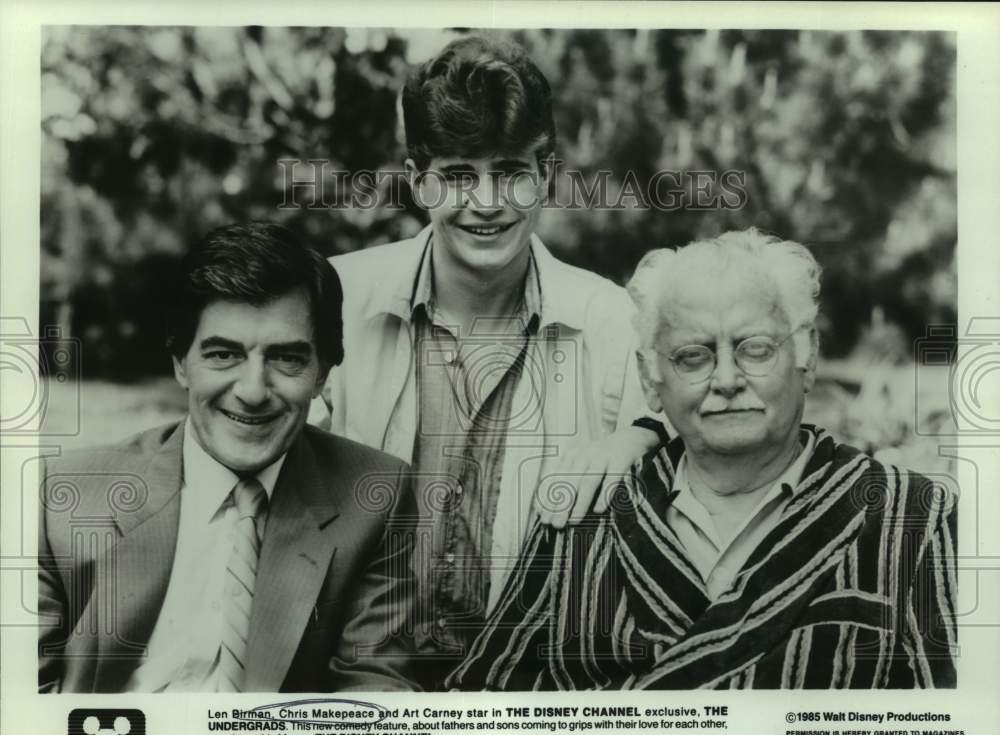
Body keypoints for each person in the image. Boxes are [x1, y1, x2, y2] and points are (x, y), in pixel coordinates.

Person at [448, 228, 958, 690]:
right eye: (694, 355)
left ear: (807, 357)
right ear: (650, 380)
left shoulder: (911, 518)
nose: (728, 379)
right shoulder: (584, 516)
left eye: (755, 349)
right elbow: (482, 713)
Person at [310, 35, 662, 686]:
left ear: (547, 174)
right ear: (418, 181)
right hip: (356, 675)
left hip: (533, 686)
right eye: (458, 175)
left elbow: (687, 448)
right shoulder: (334, 297)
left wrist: (642, 436)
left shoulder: (613, 319)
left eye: (510, 171)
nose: (487, 201)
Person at [38, 222, 419, 693]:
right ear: (181, 363)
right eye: (223, 355)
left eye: (287, 359)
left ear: (322, 373)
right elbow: (22, 709)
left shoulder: (376, 496)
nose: (253, 391)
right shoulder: (61, 496)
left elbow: (375, 697)